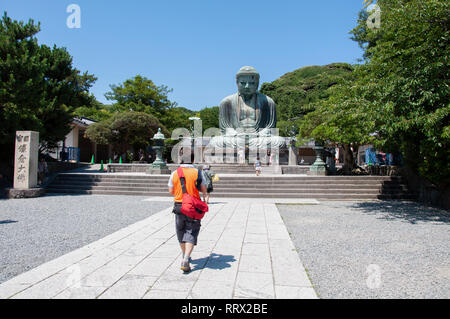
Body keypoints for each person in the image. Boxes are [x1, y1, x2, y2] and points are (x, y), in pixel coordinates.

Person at [168, 160, 207, 273]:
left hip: (179, 206)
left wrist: (182, 192)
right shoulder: (198, 173)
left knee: (181, 231)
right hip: (193, 206)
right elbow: (203, 189)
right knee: (191, 231)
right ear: (193, 160)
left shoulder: (175, 173)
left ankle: (184, 255)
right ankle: (186, 259)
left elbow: (171, 191)